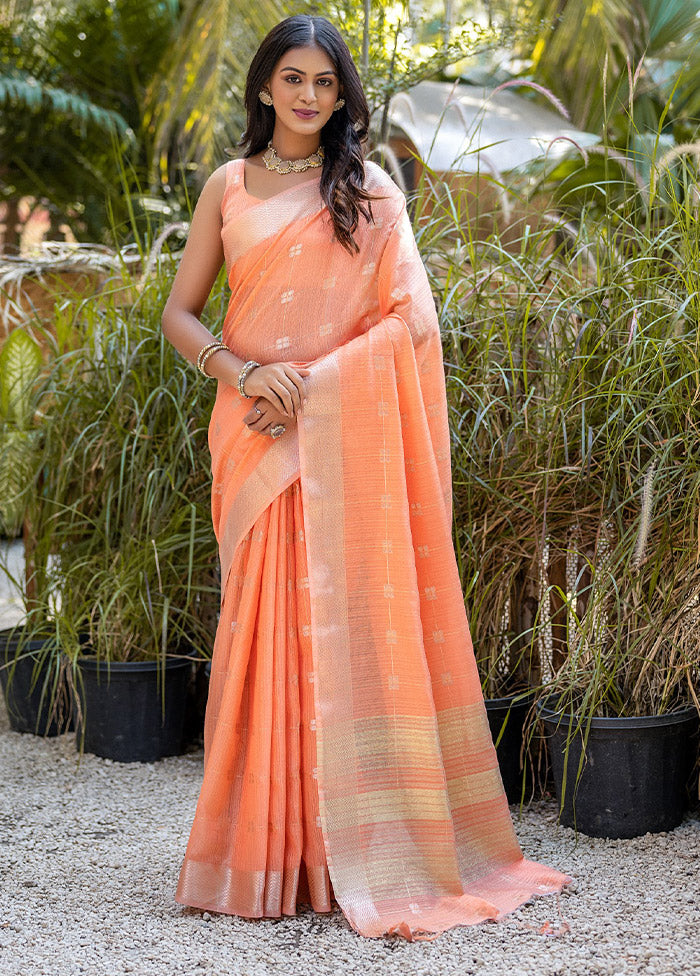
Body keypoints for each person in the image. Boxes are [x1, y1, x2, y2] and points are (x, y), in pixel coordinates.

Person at [161, 13, 573, 942]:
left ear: (343, 95)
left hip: (330, 431)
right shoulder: (228, 186)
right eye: (293, 78)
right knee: (264, 631)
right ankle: (271, 855)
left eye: (325, 83)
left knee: (343, 624)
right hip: (254, 433)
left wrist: (313, 387)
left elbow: (411, 323)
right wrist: (244, 373)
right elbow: (181, 315)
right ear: (265, 86)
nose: (309, 96)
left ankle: (361, 846)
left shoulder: (370, 191)